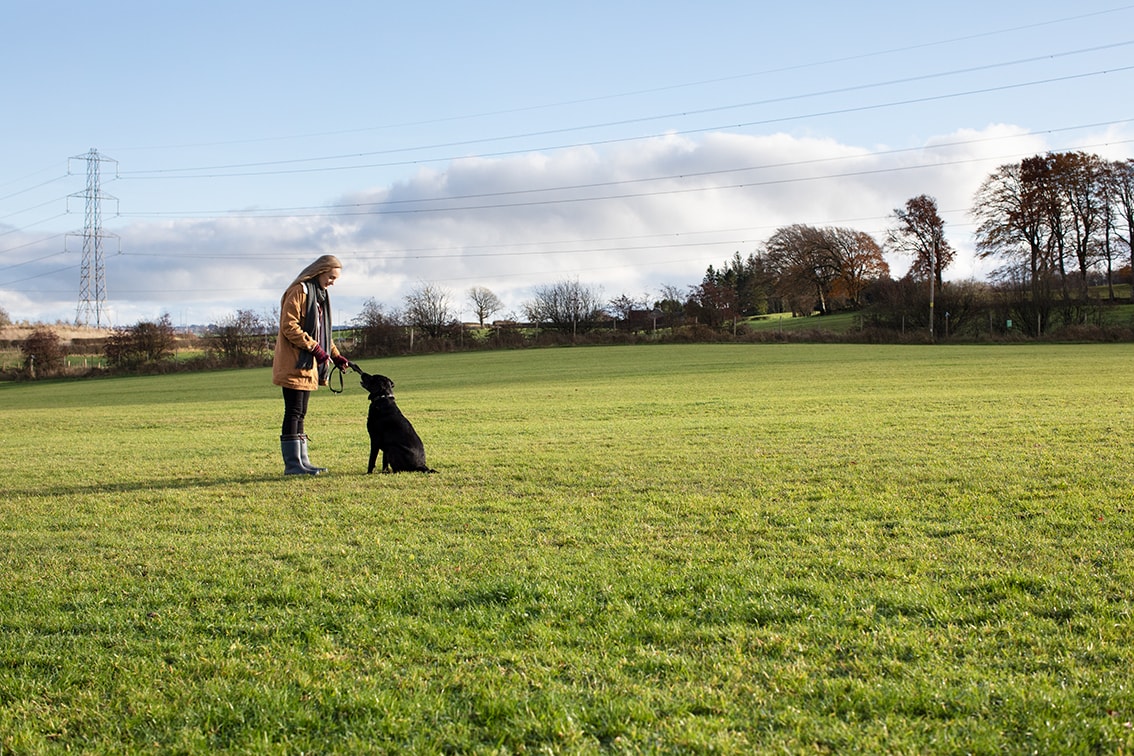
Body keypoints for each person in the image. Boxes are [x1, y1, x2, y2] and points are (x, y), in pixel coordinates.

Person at [272, 255, 351, 475]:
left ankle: (302, 461)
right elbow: (289, 326)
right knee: (294, 411)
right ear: (320, 271)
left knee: (301, 412)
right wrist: (315, 348)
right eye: (331, 277)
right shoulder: (300, 291)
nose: (332, 282)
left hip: (307, 365)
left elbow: (322, 333)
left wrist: (335, 355)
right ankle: (293, 464)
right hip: (294, 362)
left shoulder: (319, 296)